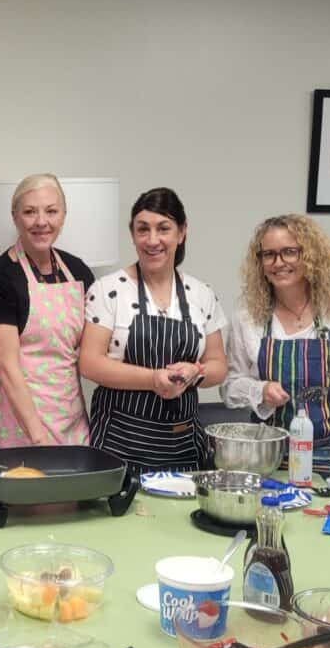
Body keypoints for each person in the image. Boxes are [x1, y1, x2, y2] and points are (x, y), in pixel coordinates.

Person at [80, 187, 228, 477]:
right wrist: (152, 379)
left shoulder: (201, 294)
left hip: (183, 444)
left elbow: (219, 365)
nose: (152, 240)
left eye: (163, 229)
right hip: (120, 442)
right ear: (132, 234)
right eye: (142, 229)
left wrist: (194, 373)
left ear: (181, 233)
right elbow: (90, 363)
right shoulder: (109, 290)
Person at [221, 214, 330, 474]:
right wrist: (260, 390)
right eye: (269, 254)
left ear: (309, 255)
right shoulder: (247, 315)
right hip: (270, 458)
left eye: (289, 252)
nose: (279, 262)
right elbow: (229, 387)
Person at [0, 174, 95, 448]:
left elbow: (92, 351)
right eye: (30, 212)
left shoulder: (77, 271)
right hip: (24, 428)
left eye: (51, 211)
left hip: (73, 422)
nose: (42, 221)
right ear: (15, 217)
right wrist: (38, 436)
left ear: (63, 216)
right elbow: (7, 369)